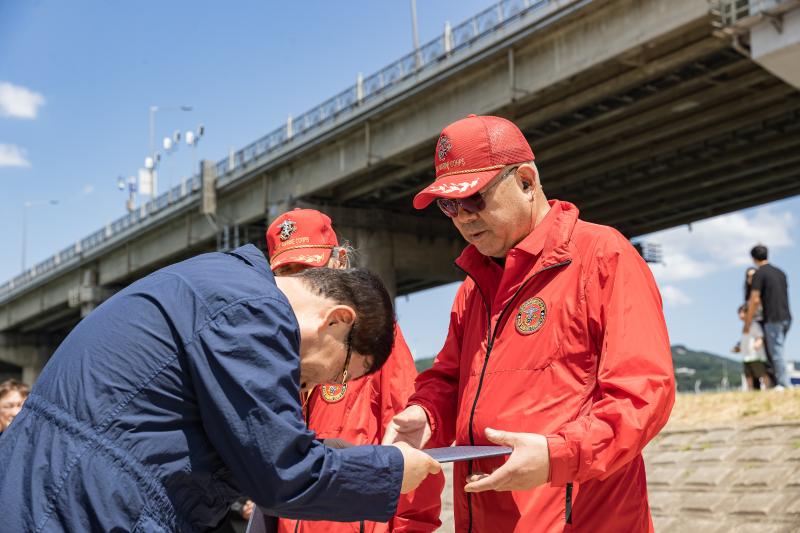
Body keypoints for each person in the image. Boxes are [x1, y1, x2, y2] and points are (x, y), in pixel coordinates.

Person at [0, 244, 440, 532]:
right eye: (343, 373)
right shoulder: (253, 314)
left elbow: (249, 443)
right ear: (337, 320)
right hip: (84, 507)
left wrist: (352, 455)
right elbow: (282, 476)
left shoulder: (221, 281)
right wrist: (391, 470)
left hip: (59, 493)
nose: (321, 388)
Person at [383, 114, 675, 532]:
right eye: (449, 206)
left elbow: (643, 391)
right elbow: (448, 380)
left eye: (474, 199)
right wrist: (426, 415)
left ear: (525, 179)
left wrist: (559, 455)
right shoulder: (474, 287)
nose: (463, 218)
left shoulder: (602, 255)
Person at [263, 208, 443, 533]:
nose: (301, 285)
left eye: (310, 270)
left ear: (339, 262)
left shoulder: (373, 340)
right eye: (287, 274)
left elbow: (412, 446)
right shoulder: (267, 350)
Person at [744, 244, 792, 389]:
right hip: (787, 316)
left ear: (753, 258)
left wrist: (748, 321)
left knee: (775, 352)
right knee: (778, 349)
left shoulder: (759, 274)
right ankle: (777, 382)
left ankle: (783, 384)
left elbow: (755, 299)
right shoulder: (780, 272)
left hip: (772, 317)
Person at [733, 304, 768, 390]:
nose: (740, 315)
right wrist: (738, 348)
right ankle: (750, 390)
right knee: (748, 376)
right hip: (746, 356)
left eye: (741, 312)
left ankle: (768, 388)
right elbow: (744, 342)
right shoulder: (744, 327)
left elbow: (760, 337)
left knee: (762, 374)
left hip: (756, 356)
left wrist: (757, 344)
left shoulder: (754, 325)